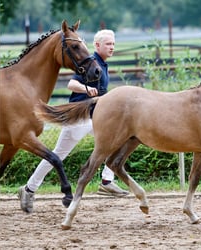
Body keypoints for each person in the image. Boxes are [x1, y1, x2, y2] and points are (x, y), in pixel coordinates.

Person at [18, 29, 129, 213]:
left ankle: (107, 181)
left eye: (113, 44)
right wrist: (86, 89)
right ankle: (29, 189)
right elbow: (71, 84)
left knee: (120, 139)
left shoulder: (102, 65)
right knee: (59, 154)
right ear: (97, 45)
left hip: (95, 118)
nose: (112, 47)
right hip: (79, 118)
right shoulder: (88, 61)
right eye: (108, 44)